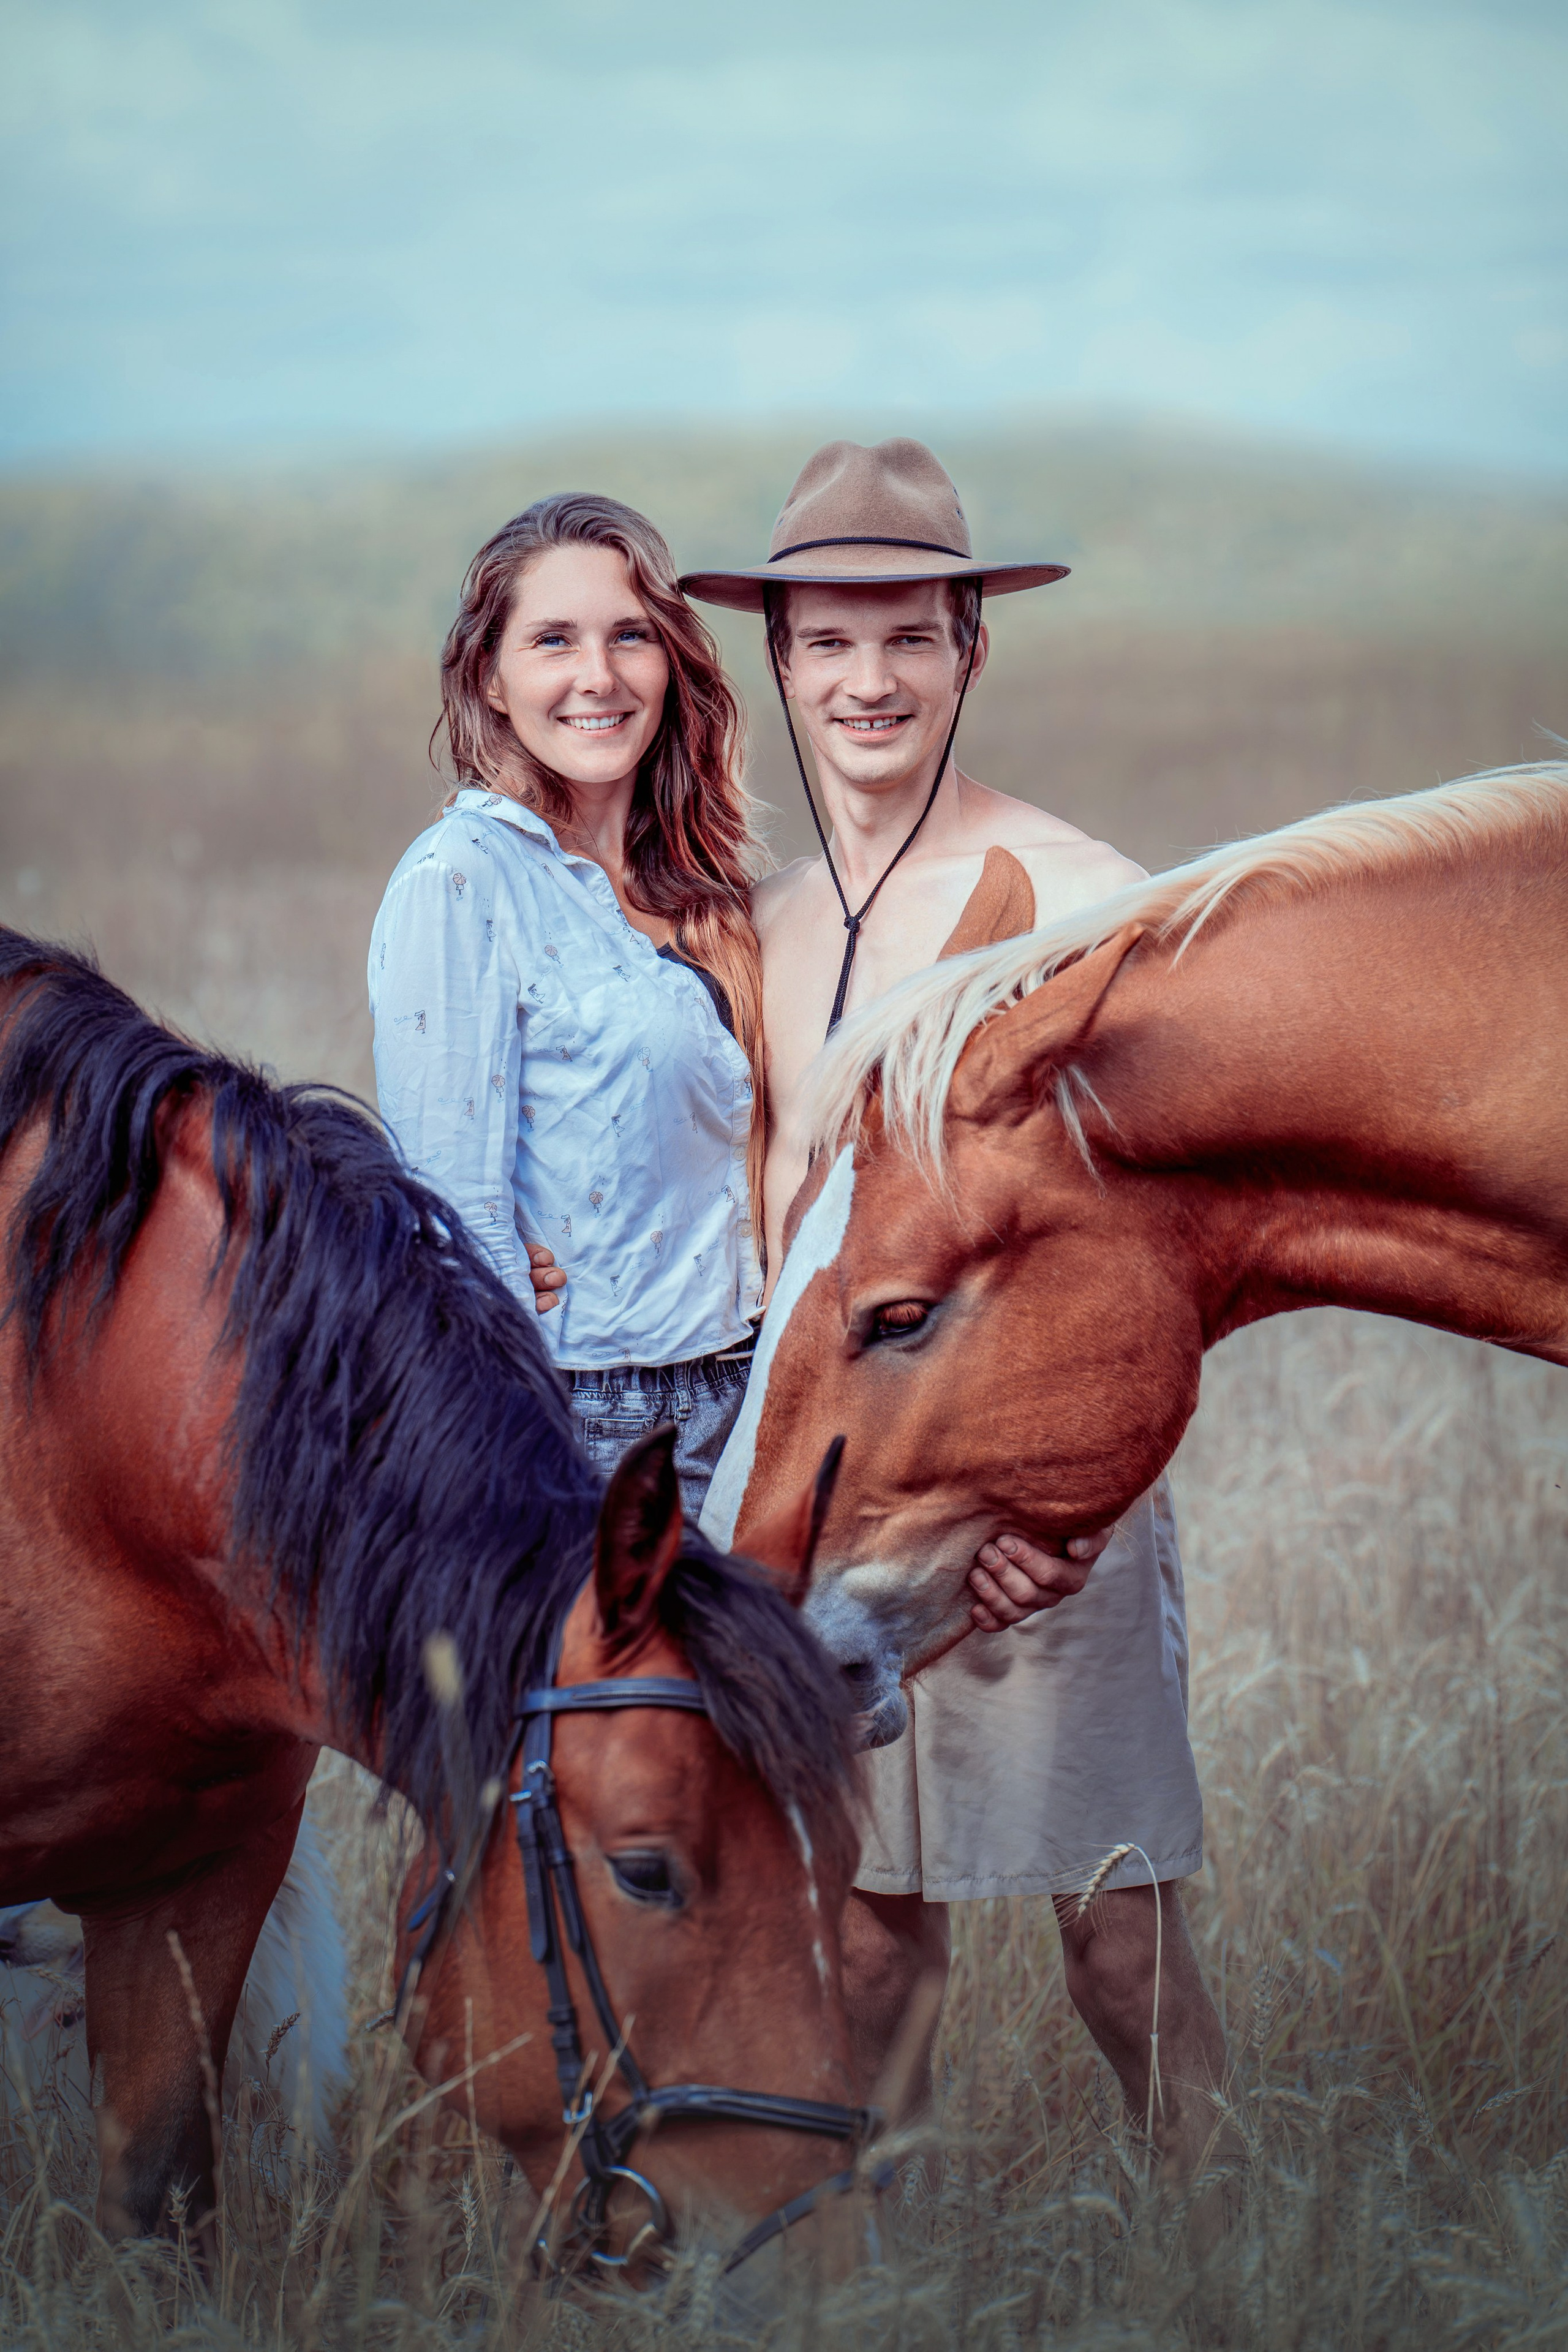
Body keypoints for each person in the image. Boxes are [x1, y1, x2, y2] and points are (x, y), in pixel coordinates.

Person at [683, 439, 1229, 2176]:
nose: (868, 680)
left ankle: (1234, 2248)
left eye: (908, 638)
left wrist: (1066, 1522)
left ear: (968, 650)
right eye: (830, 643)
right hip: (840, 1511)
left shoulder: (1080, 902)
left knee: (1118, 1944)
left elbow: (1165, 1250)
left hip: (1031, 1505)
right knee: (864, 1946)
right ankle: (890, 2293)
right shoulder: (760, 926)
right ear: (778, 656)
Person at [369, 492, 766, 1516]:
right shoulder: (461, 877)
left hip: (755, 1389)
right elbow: (455, 1216)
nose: (598, 676)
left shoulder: (702, 883)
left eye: (630, 635)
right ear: (490, 680)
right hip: (590, 1421)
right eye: (554, 641)